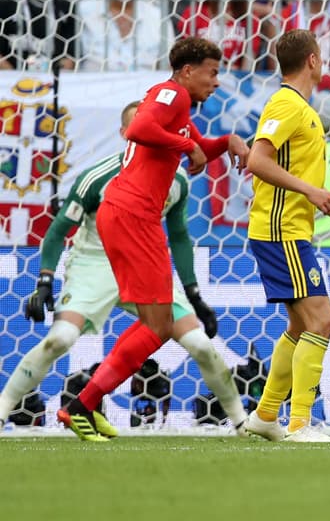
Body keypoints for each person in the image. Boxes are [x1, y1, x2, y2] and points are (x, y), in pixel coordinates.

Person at [0, 101, 247, 433]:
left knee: (200, 344)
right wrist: (44, 280)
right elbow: (58, 229)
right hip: (95, 265)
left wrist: (194, 293)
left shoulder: (176, 181)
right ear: (125, 135)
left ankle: (241, 422)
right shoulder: (97, 177)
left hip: (143, 264)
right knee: (60, 339)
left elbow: (179, 236)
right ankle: (3, 409)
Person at [56, 38, 249, 441]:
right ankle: (81, 406)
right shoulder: (171, 93)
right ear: (188, 71)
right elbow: (140, 129)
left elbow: (201, 147)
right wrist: (188, 145)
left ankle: (82, 406)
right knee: (160, 325)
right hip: (133, 216)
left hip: (127, 215)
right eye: (212, 72)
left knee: (155, 324)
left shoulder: (178, 106)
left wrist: (228, 142)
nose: (217, 81)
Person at [242, 29, 330, 443]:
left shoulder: (301, 108)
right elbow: (258, 161)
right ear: (313, 61)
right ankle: (299, 423)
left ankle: (266, 415)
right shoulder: (286, 104)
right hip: (280, 230)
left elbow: (302, 179)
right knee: (323, 320)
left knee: (301, 327)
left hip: (291, 229)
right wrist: (309, 191)